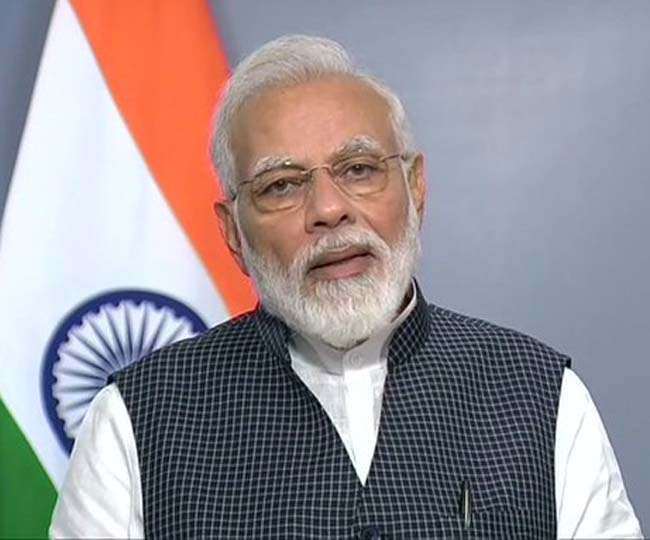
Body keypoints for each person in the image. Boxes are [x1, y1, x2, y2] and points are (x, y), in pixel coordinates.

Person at [50, 35, 642, 539]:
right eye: (282, 186)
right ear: (234, 233)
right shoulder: (138, 417)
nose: (329, 210)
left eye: (359, 170)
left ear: (416, 189)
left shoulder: (538, 395)